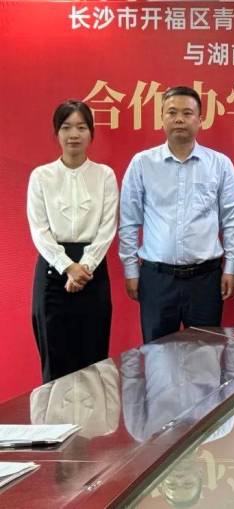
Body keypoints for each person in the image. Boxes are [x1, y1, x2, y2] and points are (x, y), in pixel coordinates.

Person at [119, 86, 234, 343]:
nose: (179, 119)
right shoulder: (142, 163)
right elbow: (129, 221)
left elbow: (232, 221)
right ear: (162, 118)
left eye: (187, 113)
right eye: (172, 112)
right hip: (156, 279)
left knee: (205, 357)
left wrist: (231, 267)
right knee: (156, 356)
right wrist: (131, 270)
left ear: (200, 120)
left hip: (205, 280)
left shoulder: (219, 164)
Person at [27, 100, 118, 383]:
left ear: (91, 132)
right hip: (53, 271)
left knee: (93, 359)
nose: (74, 134)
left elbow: (107, 227)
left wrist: (84, 267)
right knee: (55, 360)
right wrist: (68, 266)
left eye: (81, 127)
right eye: (66, 127)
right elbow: (39, 230)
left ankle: (92, 416)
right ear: (57, 132)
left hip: (92, 270)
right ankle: (55, 414)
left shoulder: (105, 175)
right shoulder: (41, 176)